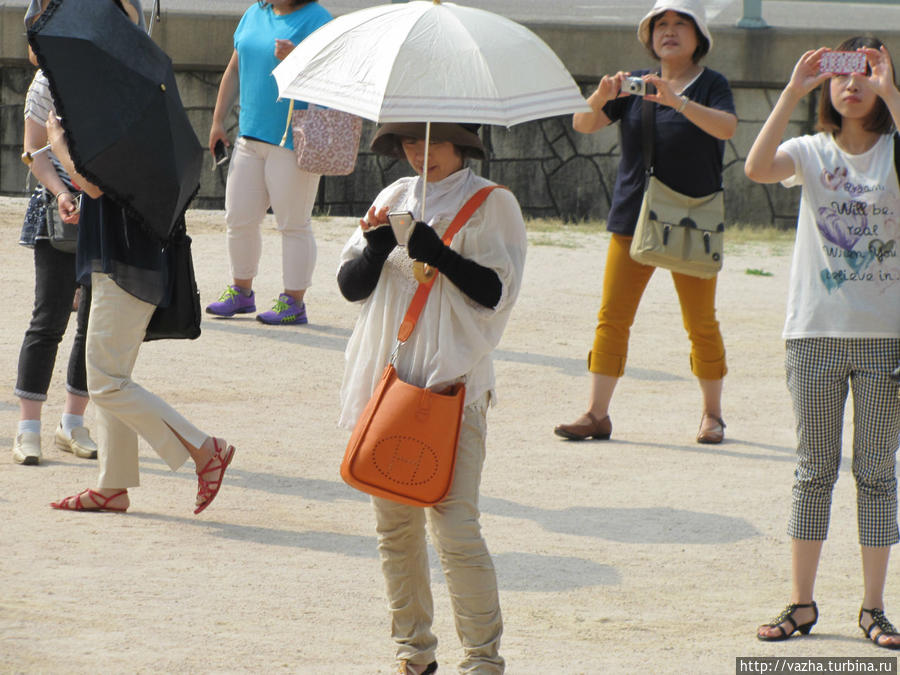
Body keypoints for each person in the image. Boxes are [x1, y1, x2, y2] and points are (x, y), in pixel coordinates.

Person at [337, 122, 527, 674]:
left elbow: (495, 293)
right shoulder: (393, 195)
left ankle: (483, 660)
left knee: (455, 525)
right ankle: (413, 653)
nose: (421, 152)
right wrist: (375, 250)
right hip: (389, 382)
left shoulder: (493, 204)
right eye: (411, 142)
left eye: (435, 141)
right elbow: (351, 286)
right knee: (394, 528)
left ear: (464, 143)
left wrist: (438, 253)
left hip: (455, 382)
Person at [45, 0, 235, 514]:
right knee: (112, 374)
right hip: (130, 250)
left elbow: (93, 185)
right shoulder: (138, 93)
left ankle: (203, 448)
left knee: (104, 380)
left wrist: (57, 145)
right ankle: (113, 483)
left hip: (123, 255)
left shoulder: (111, 101)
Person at [746, 37, 900, 649]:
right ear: (827, 87)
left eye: (867, 74)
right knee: (814, 471)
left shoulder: (893, 152)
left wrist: (894, 91)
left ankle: (873, 608)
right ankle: (802, 604)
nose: (853, 84)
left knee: (878, 473)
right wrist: (791, 91)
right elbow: (757, 168)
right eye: (843, 74)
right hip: (814, 333)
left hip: (886, 338)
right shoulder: (810, 151)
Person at [555, 0, 737, 444]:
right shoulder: (634, 83)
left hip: (691, 218)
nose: (668, 32)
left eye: (680, 24)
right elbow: (583, 123)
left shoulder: (712, 84)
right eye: (660, 25)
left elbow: (727, 128)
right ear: (649, 36)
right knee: (612, 317)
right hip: (633, 215)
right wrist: (601, 95)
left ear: (699, 38)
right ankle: (597, 413)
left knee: (700, 322)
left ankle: (712, 415)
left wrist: (678, 102)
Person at [205, 0, 331, 325]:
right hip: (249, 135)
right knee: (238, 218)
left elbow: (333, 81)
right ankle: (241, 291)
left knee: (293, 223)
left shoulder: (319, 19)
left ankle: (294, 301)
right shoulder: (253, 14)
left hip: (293, 139)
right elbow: (234, 68)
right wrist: (218, 120)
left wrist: (297, 59)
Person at [12, 0, 96, 466]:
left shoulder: (109, 79)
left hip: (102, 208)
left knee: (91, 321)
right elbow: (33, 150)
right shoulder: (45, 83)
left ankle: (73, 422)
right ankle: (27, 428)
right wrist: (62, 193)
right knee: (48, 318)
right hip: (56, 208)